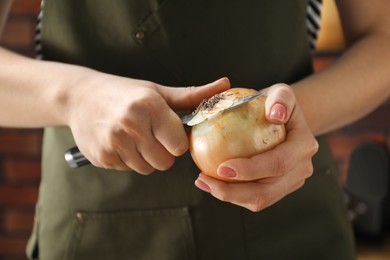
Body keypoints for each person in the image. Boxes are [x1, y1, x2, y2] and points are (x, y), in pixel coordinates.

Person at [1, 0, 389, 259]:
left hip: (290, 226)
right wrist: (75, 96)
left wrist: (287, 118)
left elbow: (382, 37)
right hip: (96, 230)